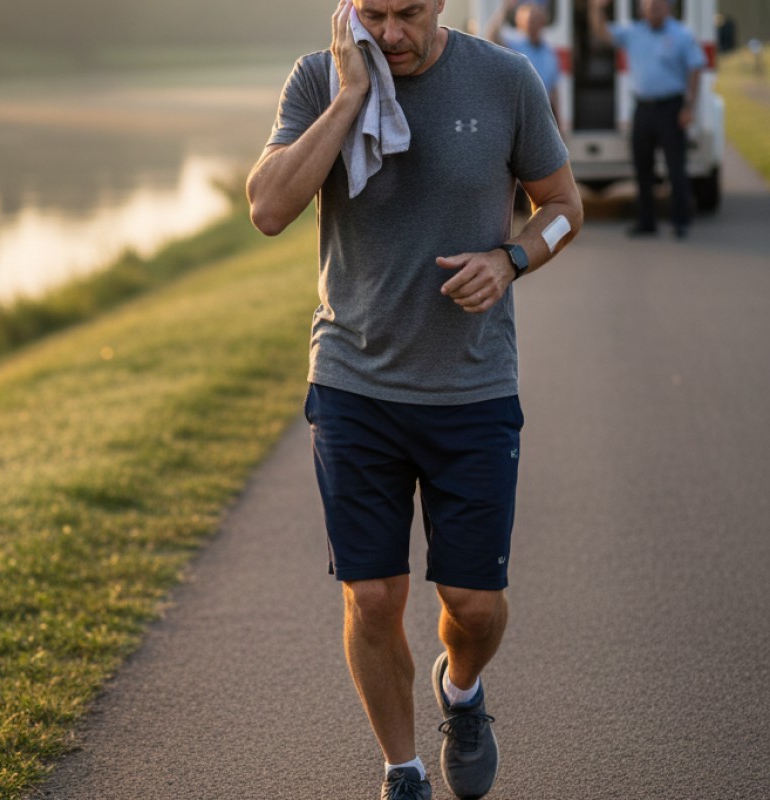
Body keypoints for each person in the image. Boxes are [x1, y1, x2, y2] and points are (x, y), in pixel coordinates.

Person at [246, 0, 583, 798]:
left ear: (442, 4)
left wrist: (511, 260)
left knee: (473, 604)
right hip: (354, 381)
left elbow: (564, 210)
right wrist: (348, 99)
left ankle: (461, 691)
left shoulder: (505, 80)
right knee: (372, 596)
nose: (391, 32)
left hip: (472, 388)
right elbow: (267, 209)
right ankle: (401, 771)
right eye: (375, 13)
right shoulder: (319, 78)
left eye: (410, 13)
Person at [588, 0, 705, 239]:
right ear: (642, 8)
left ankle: (680, 221)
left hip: (671, 107)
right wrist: (597, 8)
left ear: (668, 7)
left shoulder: (681, 34)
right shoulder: (633, 32)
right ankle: (646, 222)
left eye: (659, 5)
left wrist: (689, 107)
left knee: (676, 167)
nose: (654, 8)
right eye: (649, 5)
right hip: (643, 109)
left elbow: (695, 68)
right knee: (642, 168)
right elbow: (602, 32)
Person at [484, 0, 561, 128]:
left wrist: (559, 123)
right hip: (518, 114)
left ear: (542, 22)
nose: (532, 23)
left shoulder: (549, 51)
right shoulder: (512, 45)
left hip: (541, 115)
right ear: (520, 22)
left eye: (535, 19)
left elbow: (554, 90)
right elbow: (490, 38)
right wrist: (504, 10)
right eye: (529, 20)